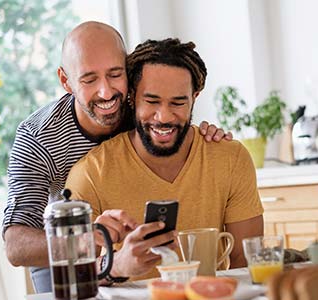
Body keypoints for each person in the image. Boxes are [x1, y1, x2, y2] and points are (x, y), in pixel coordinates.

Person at [2, 21, 230, 293]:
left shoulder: (140, 109)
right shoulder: (39, 137)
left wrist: (204, 136)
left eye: (114, 74)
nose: (106, 92)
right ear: (66, 81)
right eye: (89, 79)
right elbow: (15, 246)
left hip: (126, 248)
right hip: (62, 252)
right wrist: (90, 239)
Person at [66, 38, 264, 281]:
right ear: (131, 97)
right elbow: (74, 278)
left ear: (195, 97)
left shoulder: (230, 158)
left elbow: (246, 263)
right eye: (151, 101)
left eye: (178, 102)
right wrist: (116, 266)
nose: (164, 116)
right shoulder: (91, 173)